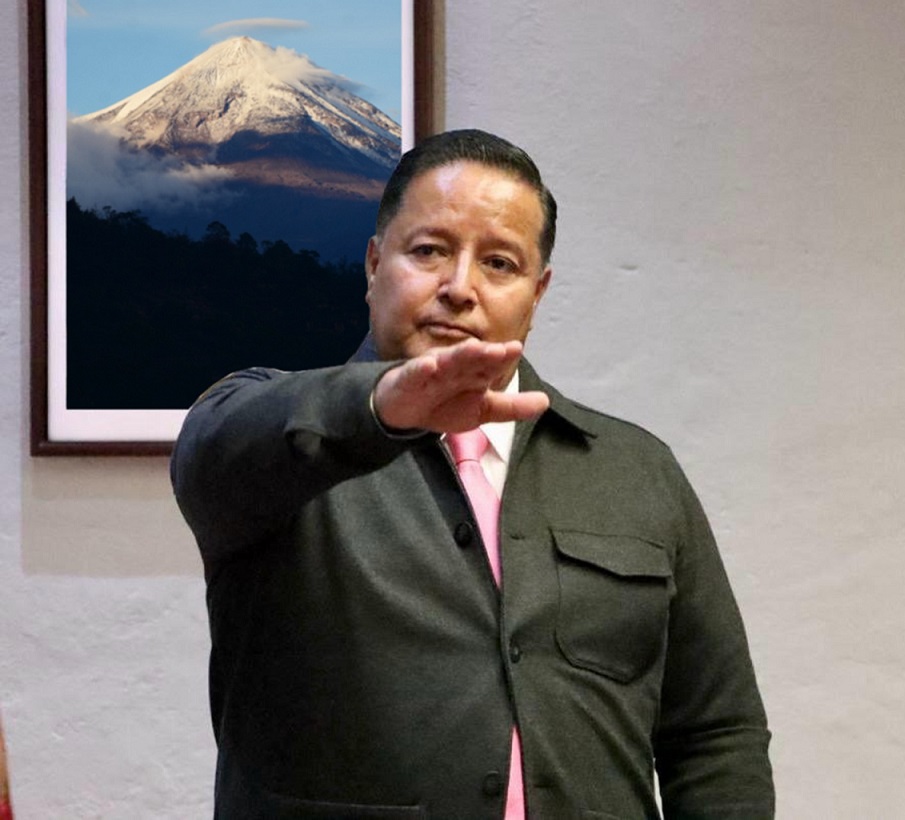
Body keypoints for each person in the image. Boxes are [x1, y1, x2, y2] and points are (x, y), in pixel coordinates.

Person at [171, 129, 774, 819]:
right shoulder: (288, 445)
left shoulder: (638, 471)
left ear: (536, 294)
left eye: (499, 263)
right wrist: (382, 406)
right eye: (429, 251)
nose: (460, 288)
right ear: (374, 265)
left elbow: (715, 734)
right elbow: (215, 448)